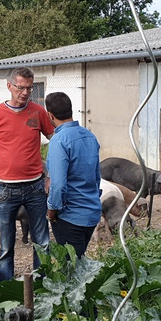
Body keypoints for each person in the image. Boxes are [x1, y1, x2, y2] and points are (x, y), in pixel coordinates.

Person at [0, 67, 55, 281]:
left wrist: (51, 176)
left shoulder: (38, 112)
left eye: (29, 88)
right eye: (21, 88)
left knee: (42, 241)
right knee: (6, 244)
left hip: (36, 187)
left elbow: (56, 142)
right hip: (4, 189)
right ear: (9, 86)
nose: (25, 92)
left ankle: (43, 286)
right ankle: (4, 289)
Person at [45, 92, 102, 258]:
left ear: (50, 115)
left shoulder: (59, 140)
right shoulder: (90, 136)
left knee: (71, 269)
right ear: (71, 110)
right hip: (91, 213)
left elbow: (58, 185)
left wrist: (52, 211)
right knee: (79, 261)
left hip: (70, 216)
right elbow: (96, 177)